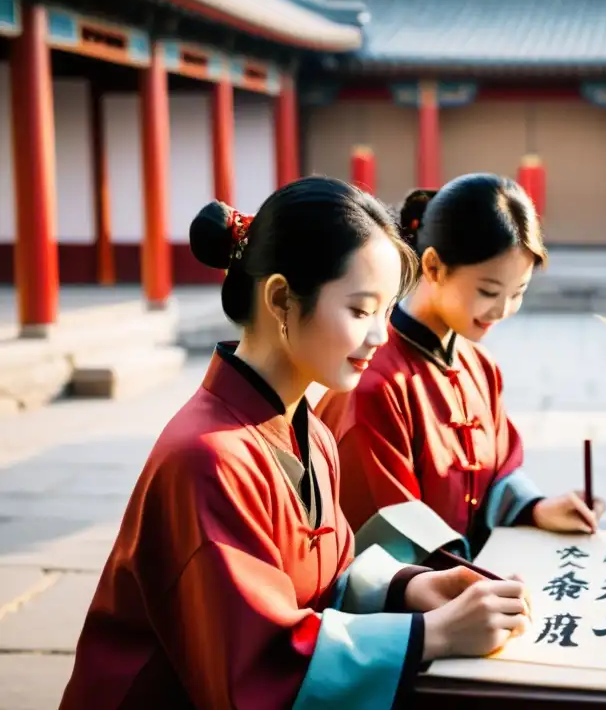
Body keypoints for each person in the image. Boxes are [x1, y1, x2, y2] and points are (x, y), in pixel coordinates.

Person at [59, 177, 531, 710]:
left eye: (384, 312)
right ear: (281, 298)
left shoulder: (310, 429)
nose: (380, 337)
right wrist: (432, 634)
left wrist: (407, 589)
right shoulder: (207, 460)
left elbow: (321, 582)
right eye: (360, 311)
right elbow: (258, 667)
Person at [316, 174, 606, 559]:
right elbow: (385, 531)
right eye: (488, 292)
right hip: (416, 598)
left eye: (517, 293)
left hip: (469, 583)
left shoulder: (480, 366)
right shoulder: (372, 383)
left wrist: (536, 508)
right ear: (433, 266)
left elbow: (497, 475)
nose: (503, 310)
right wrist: (467, 586)